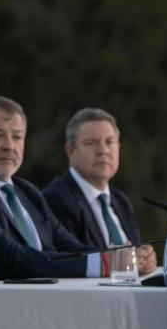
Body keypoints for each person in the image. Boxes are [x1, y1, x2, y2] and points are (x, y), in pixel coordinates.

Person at [0, 95, 116, 279]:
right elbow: (6, 257)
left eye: (17, 137)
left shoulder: (28, 191)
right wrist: (101, 265)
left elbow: (69, 246)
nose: (9, 146)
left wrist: (119, 257)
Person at [43, 108, 157, 275]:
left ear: (118, 147)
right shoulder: (56, 199)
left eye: (109, 142)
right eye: (91, 143)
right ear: (70, 151)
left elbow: (133, 256)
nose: (103, 150)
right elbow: (70, 260)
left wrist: (146, 259)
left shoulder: (120, 199)